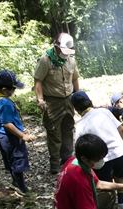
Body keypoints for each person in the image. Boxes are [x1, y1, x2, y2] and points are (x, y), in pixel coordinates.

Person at [70, 91, 123, 209]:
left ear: (76, 108)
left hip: (99, 159)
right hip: (118, 151)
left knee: (105, 183)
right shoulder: (104, 112)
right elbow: (121, 129)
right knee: (120, 176)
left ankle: (108, 206)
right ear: (89, 101)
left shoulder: (79, 126)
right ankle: (121, 202)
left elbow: (79, 148)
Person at [34, 33, 80, 174]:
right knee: (54, 133)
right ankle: (54, 164)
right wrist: (40, 99)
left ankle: (67, 160)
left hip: (68, 100)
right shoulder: (45, 60)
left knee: (68, 128)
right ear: (56, 46)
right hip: (52, 101)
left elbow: (75, 79)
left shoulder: (71, 61)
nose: (65, 54)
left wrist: (78, 96)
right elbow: (38, 81)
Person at [0, 70, 35, 194]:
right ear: (4, 90)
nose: (14, 91)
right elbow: (7, 124)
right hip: (11, 137)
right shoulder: (5, 103)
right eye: (13, 89)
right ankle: (21, 188)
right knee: (18, 160)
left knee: (10, 160)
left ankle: (15, 181)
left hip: (1, 135)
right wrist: (23, 136)